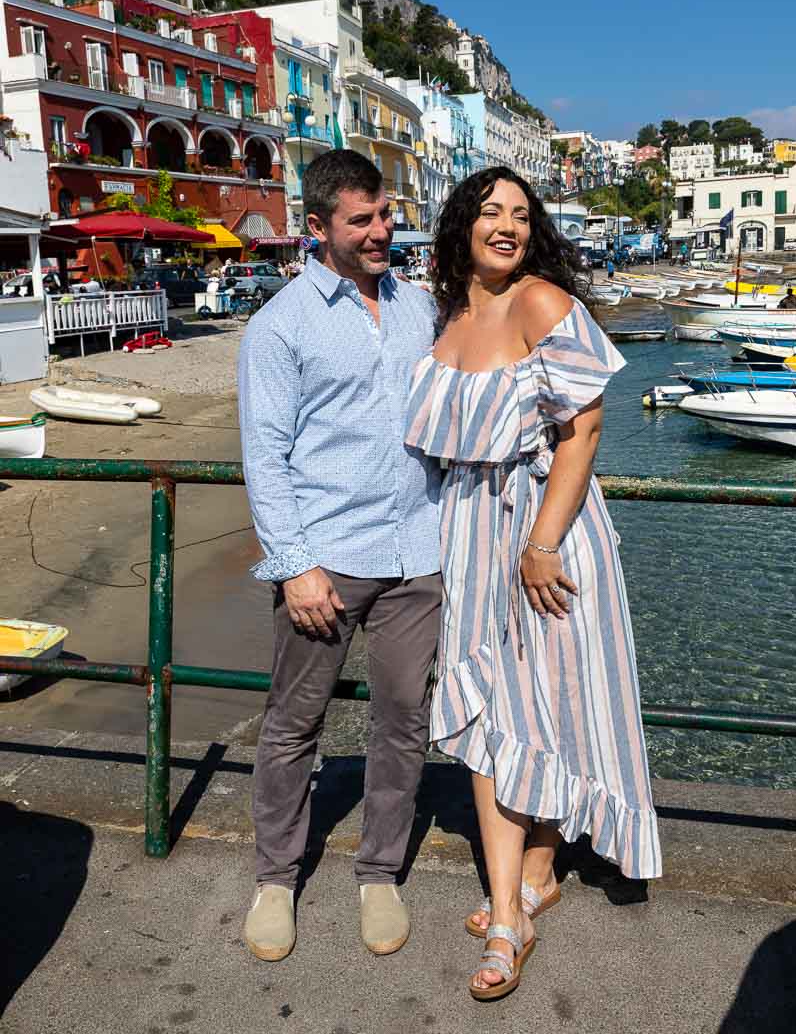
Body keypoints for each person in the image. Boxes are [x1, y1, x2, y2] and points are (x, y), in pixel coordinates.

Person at [404, 167, 661, 1002]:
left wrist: (543, 542)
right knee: (502, 706)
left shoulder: (541, 301)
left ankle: (509, 914)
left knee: (524, 708)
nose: (508, 226)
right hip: (472, 538)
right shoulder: (451, 312)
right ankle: (536, 876)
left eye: (522, 214)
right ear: (462, 224)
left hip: (540, 535)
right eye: (491, 212)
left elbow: (583, 431)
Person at [238, 149, 442, 964]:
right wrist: (293, 564)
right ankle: (275, 877)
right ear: (317, 226)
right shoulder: (280, 325)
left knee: (403, 722)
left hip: (417, 552)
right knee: (293, 724)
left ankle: (380, 872)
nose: (380, 231)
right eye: (361, 220)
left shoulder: (422, 308)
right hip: (327, 559)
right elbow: (266, 453)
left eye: (384, 215)